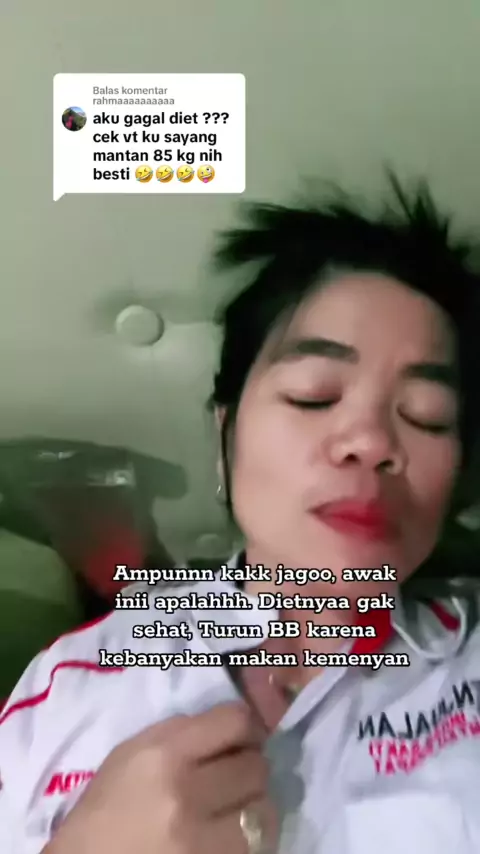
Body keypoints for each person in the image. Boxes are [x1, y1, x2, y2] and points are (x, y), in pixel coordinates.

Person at [1, 175, 480, 854]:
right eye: (314, 395)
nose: (371, 442)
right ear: (225, 437)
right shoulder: (65, 688)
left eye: (426, 416)